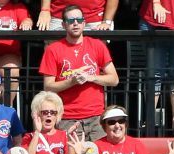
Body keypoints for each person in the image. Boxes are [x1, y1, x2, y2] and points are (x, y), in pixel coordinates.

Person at [39, 5, 117, 138]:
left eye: (79, 20)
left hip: (96, 118)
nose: (75, 23)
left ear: (84, 23)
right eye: (70, 21)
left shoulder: (97, 45)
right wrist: (72, 81)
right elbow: (48, 86)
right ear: (63, 25)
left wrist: (91, 77)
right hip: (67, 118)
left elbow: (114, 79)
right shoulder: (53, 49)